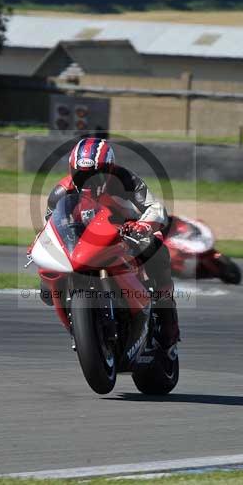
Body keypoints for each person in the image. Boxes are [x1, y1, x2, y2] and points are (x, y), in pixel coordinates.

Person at [44, 138, 179, 351]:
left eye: (95, 174)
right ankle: (78, 328)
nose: (88, 180)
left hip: (126, 234)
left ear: (109, 169)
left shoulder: (126, 180)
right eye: (82, 174)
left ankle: (168, 322)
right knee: (46, 282)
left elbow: (156, 208)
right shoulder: (60, 193)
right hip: (83, 245)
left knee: (159, 251)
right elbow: (50, 226)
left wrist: (143, 226)